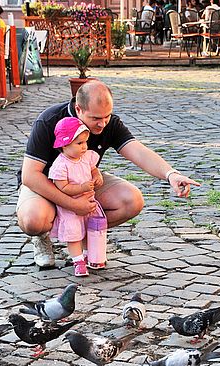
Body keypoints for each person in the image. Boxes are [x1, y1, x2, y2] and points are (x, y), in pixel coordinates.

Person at [17, 80, 199, 268]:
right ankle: (42, 238)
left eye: (107, 116)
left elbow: (138, 151)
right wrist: (73, 205)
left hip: (84, 181)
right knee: (34, 220)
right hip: (45, 184)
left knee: (132, 201)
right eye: (96, 118)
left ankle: (85, 236)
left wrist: (171, 174)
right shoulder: (49, 120)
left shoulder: (109, 123)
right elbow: (30, 176)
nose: (103, 123)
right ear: (78, 109)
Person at [48, 117, 105, 276]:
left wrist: (97, 175)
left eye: (85, 142)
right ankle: (78, 260)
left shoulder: (86, 157)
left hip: (89, 202)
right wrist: (81, 187)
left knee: (89, 230)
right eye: (79, 143)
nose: (84, 147)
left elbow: (93, 168)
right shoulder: (60, 165)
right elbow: (63, 187)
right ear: (64, 144)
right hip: (70, 207)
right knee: (74, 234)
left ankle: (89, 255)